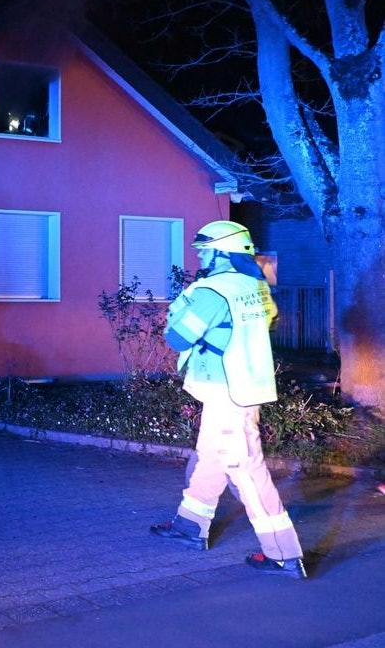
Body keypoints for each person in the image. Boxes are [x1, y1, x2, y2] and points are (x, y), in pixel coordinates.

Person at [150, 220, 306, 579]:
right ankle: (190, 528)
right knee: (210, 456)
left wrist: (177, 309)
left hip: (225, 392)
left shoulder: (210, 291)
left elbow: (177, 338)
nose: (200, 255)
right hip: (244, 388)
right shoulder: (255, 286)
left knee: (247, 471)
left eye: (205, 249)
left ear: (223, 251)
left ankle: (285, 554)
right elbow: (266, 322)